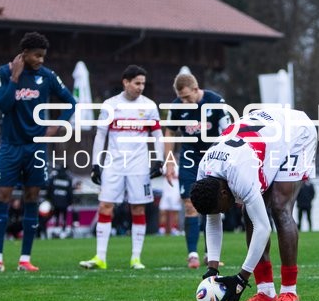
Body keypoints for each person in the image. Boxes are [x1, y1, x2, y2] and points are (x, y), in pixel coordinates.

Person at [190, 107, 318, 301]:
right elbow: (212, 220)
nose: (222, 213)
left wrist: (241, 278)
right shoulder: (205, 172)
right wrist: (212, 269)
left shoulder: (240, 173)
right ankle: (266, 293)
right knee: (249, 212)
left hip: (296, 131)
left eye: (221, 209)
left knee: (279, 208)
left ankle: (289, 292)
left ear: (224, 192)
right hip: (265, 139)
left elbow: (263, 228)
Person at [0, 31, 76, 273]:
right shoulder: (4, 72)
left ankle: (25, 260)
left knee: (32, 197)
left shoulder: (47, 76)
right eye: (37, 56)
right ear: (25, 54)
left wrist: (56, 126)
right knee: (2, 196)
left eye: (43, 56)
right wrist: (15, 77)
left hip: (36, 147)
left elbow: (71, 102)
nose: (41, 60)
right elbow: (4, 104)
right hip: (10, 146)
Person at [80, 65, 163, 270]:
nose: (140, 87)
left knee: (138, 208)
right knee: (105, 206)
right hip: (114, 164)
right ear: (125, 82)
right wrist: (96, 164)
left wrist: (159, 160)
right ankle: (100, 257)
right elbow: (101, 135)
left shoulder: (150, 106)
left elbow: (157, 135)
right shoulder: (110, 105)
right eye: (137, 83)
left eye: (143, 83)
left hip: (139, 165)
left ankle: (136, 258)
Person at [163, 72, 230, 268]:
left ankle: (211, 254)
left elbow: (227, 132)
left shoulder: (215, 102)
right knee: (190, 205)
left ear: (195, 89)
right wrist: (168, 161)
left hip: (212, 158)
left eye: (187, 97)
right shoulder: (176, 107)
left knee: (213, 205)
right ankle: (192, 254)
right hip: (189, 159)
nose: (184, 102)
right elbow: (170, 132)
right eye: (180, 98)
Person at [47, 167, 74, 237]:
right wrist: (70, 201)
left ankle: (56, 229)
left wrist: (50, 199)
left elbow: (50, 189)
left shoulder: (54, 178)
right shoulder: (68, 179)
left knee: (56, 215)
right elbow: (70, 192)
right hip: (64, 202)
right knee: (64, 216)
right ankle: (63, 229)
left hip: (55, 201)